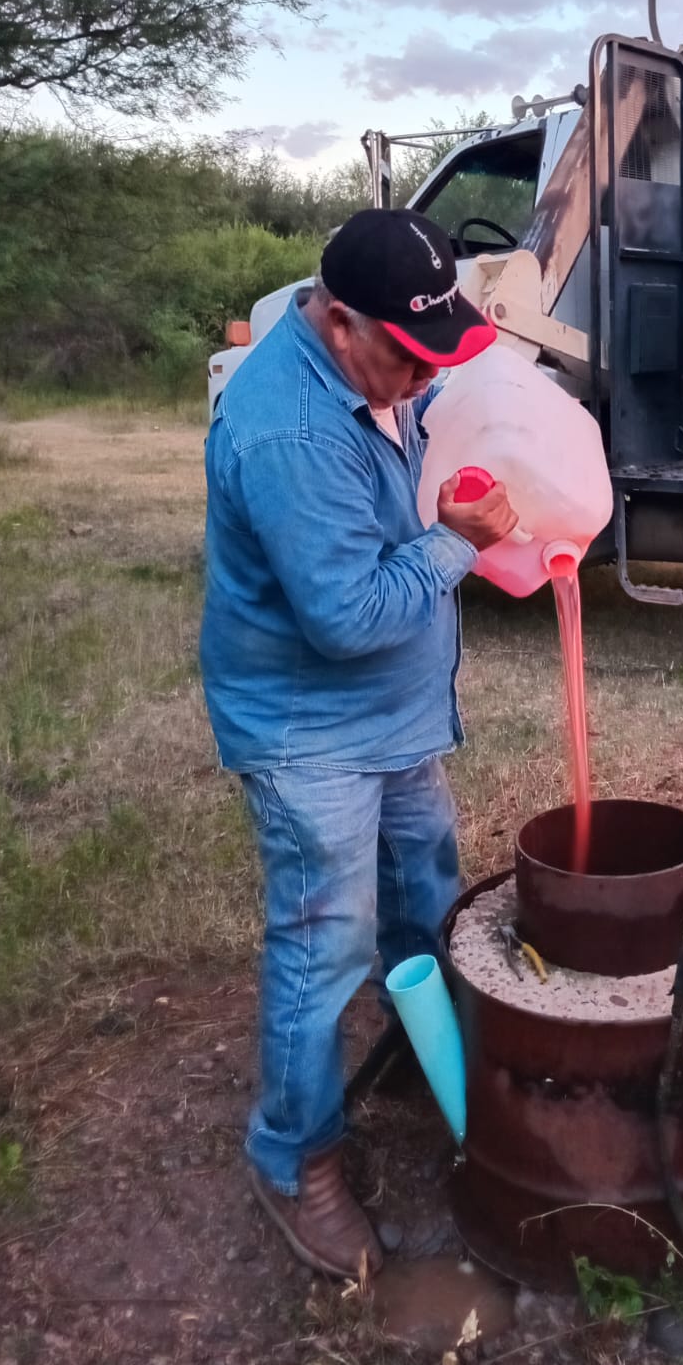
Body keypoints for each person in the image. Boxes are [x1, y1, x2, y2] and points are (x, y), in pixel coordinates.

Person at [200, 209, 517, 1278]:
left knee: (427, 895)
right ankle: (297, 1158)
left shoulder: (373, 365)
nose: (422, 381)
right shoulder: (287, 429)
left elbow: (391, 508)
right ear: (338, 324)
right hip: (309, 729)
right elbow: (345, 616)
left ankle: (427, 1055)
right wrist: (456, 548)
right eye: (408, 358)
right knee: (321, 944)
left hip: (393, 717)